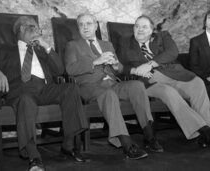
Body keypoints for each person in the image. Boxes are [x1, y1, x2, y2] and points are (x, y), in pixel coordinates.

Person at [0, 16, 89, 171]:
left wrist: (46, 46)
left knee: (71, 88)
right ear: (22, 28)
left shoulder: (41, 51)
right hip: (21, 90)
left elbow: (60, 70)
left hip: (45, 89)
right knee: (26, 100)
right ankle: (33, 156)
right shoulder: (3, 49)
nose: (38, 32)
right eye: (34, 28)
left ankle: (68, 145)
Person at [65, 13, 163, 160]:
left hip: (111, 83)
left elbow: (120, 69)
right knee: (109, 95)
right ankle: (127, 144)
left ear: (96, 26)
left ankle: (149, 136)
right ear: (78, 27)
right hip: (89, 86)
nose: (85, 27)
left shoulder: (107, 45)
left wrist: (116, 65)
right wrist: (95, 61)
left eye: (89, 23)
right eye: (81, 24)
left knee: (137, 86)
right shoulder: (72, 45)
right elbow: (70, 69)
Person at [119, 15, 210, 149]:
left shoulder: (163, 36)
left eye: (144, 27)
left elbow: (173, 52)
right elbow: (120, 67)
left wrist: (151, 64)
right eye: (136, 26)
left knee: (197, 83)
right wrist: (134, 70)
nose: (140, 29)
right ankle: (204, 130)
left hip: (175, 75)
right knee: (169, 92)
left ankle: (207, 133)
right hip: (151, 82)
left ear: (151, 30)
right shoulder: (125, 43)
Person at [189, 10, 210, 95]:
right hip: (204, 79)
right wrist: (207, 77)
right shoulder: (196, 41)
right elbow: (193, 66)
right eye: (209, 18)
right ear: (205, 22)